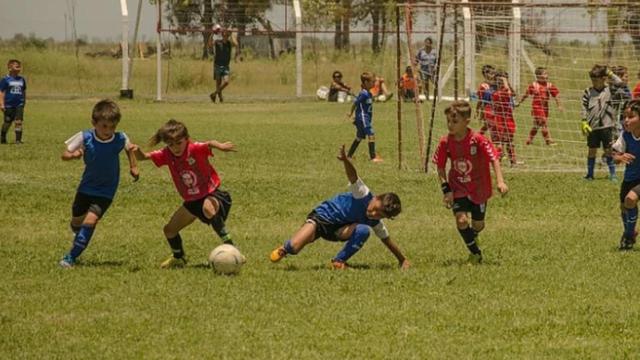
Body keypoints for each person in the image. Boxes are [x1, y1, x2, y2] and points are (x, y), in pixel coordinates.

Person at [269, 145, 410, 270]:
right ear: (376, 197)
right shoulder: (363, 194)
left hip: (338, 231)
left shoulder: (375, 222)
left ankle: (338, 261)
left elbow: (387, 240)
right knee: (294, 247)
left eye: (379, 215)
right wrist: (345, 160)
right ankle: (285, 249)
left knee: (363, 230)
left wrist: (402, 259)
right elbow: (353, 176)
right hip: (321, 219)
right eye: (375, 208)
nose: (373, 214)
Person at [133, 119, 238, 268]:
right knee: (169, 230)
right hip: (192, 201)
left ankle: (233, 249)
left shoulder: (194, 148)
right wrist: (135, 149)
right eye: (170, 144)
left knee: (208, 208)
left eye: (179, 143)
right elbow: (143, 157)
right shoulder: (166, 154)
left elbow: (209, 143)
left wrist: (220, 146)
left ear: (186, 139)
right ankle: (179, 257)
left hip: (211, 193)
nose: (175, 148)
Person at [59, 99, 139, 268]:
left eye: (112, 127)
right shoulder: (85, 136)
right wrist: (73, 155)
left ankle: (70, 257)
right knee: (77, 221)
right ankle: (77, 232)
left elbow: (129, 148)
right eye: (104, 126)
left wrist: (133, 166)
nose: (108, 131)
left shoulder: (120, 138)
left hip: (106, 190)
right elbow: (65, 154)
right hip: (86, 187)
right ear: (94, 123)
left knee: (90, 221)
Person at [432, 100, 508, 264]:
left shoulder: (479, 140)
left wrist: (500, 182)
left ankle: (472, 237)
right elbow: (440, 167)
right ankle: (475, 253)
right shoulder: (445, 142)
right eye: (448, 121)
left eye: (455, 121)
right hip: (458, 187)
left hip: (479, 188)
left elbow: (494, 159)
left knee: (478, 225)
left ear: (467, 121)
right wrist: (447, 190)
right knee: (461, 220)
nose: (450, 125)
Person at [581, 64, 623, 181]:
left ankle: (613, 174)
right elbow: (584, 107)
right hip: (592, 128)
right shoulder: (588, 92)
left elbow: (620, 82)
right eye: (592, 80)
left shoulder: (610, 89)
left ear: (603, 79)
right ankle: (590, 174)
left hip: (607, 126)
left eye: (596, 80)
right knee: (591, 151)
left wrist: (609, 72)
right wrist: (584, 121)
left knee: (608, 151)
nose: (594, 82)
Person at [612, 100, 640, 250]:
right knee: (624, 208)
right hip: (630, 178)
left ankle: (628, 236)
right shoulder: (625, 136)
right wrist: (620, 157)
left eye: (631, 116)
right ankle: (630, 232)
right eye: (624, 117)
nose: (626, 120)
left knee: (630, 200)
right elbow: (614, 156)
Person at [516, 67, 562, 146]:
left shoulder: (549, 85)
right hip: (536, 107)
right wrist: (519, 102)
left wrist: (559, 105)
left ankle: (529, 139)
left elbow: (556, 95)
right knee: (543, 122)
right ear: (538, 76)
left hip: (545, 108)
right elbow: (526, 94)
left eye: (547, 74)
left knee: (537, 125)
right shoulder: (534, 85)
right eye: (545, 74)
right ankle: (548, 140)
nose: (547, 76)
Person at [347, 71, 383, 162]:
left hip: (364, 118)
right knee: (371, 134)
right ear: (366, 83)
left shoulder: (368, 93)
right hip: (363, 118)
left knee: (359, 137)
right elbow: (355, 103)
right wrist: (351, 113)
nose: (374, 83)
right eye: (372, 81)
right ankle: (373, 157)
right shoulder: (363, 94)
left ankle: (349, 156)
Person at [492, 71, 519, 166]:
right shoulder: (496, 93)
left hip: (508, 119)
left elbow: (513, 93)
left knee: (510, 141)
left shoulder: (503, 91)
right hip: (500, 120)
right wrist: (505, 81)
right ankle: (497, 161)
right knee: (500, 142)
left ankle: (513, 161)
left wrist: (506, 82)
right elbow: (508, 91)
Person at [0, 59, 26, 144]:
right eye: (16, 66)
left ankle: (18, 140)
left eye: (19, 66)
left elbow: (23, 91)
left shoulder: (22, 79)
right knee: (7, 122)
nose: (19, 68)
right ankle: (3, 137)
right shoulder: (5, 79)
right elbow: (1, 92)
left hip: (19, 104)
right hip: (8, 105)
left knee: (18, 122)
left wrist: (24, 101)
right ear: (10, 68)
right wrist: (2, 104)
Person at [208, 25, 236, 103]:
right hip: (217, 65)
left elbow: (236, 44)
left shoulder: (229, 43)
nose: (226, 35)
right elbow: (210, 44)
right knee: (218, 83)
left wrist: (232, 34)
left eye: (227, 34)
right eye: (225, 34)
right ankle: (220, 98)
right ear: (222, 34)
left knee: (226, 82)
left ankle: (214, 94)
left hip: (226, 66)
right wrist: (212, 34)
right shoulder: (217, 42)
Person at [476, 64, 496, 136]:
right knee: (490, 125)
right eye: (492, 73)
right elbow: (480, 100)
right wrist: (477, 110)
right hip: (487, 109)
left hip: (496, 109)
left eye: (494, 73)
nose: (494, 75)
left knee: (488, 126)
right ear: (486, 74)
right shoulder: (483, 86)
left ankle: (479, 136)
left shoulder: (497, 85)